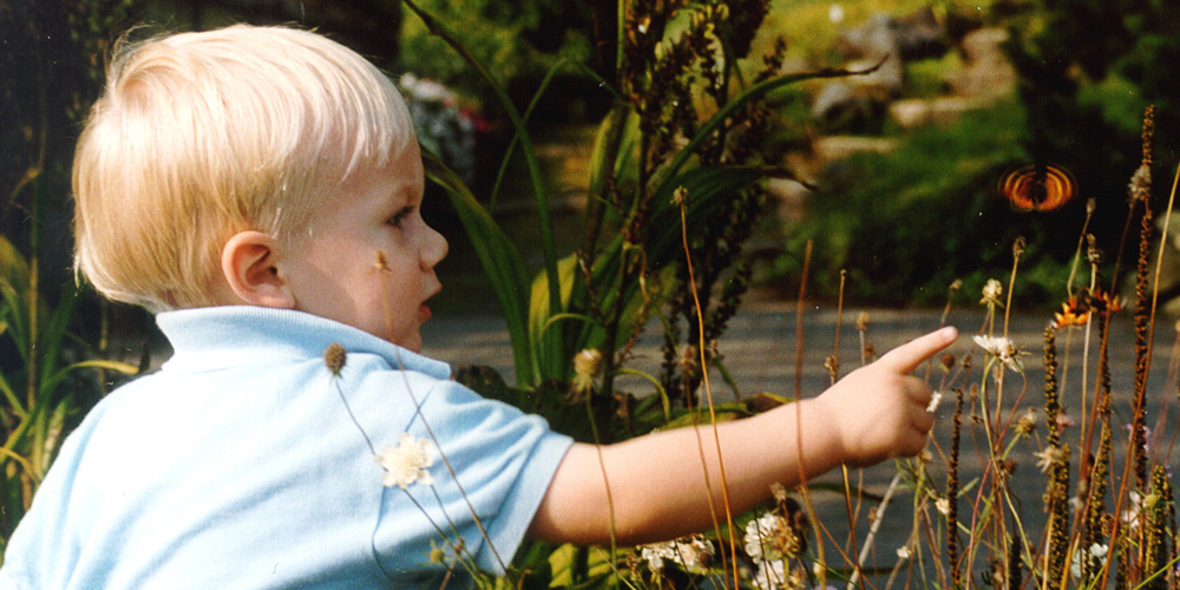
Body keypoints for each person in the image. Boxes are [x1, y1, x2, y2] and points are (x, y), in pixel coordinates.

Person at [0, 24, 958, 589]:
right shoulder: (373, 418)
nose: (437, 246)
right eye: (402, 216)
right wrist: (827, 426)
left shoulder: (108, 431)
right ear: (263, 274)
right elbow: (610, 493)